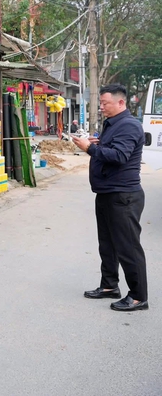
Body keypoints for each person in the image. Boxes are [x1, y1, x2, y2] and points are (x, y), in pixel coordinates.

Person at [72, 84, 148, 312]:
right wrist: (98, 144)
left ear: (121, 102)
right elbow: (112, 148)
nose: (102, 107)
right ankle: (109, 285)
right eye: (101, 103)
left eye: (105, 103)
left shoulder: (129, 125)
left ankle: (138, 297)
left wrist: (89, 149)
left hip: (123, 195)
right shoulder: (113, 124)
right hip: (107, 193)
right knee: (108, 244)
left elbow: (120, 156)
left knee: (128, 247)